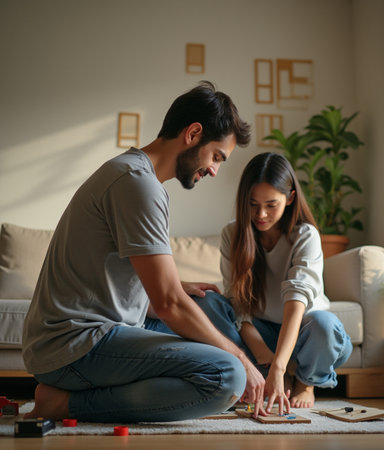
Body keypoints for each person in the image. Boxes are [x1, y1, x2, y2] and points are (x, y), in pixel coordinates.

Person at [21, 81, 267, 423]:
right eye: (216, 157)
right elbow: (167, 303)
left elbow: (141, 290)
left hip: (91, 335)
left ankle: (83, 393)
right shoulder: (137, 183)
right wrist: (240, 358)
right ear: (193, 133)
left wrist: (179, 289)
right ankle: (64, 404)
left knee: (206, 307)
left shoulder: (134, 175)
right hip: (75, 344)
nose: (214, 170)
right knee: (227, 375)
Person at [194, 152, 353, 412]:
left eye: (271, 204)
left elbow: (296, 301)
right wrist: (263, 355)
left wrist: (279, 364)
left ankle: (305, 382)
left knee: (326, 326)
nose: (261, 214)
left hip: (306, 333)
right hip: (259, 333)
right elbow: (239, 307)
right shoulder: (231, 234)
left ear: (290, 198)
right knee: (210, 303)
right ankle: (267, 374)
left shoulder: (305, 235)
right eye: (253, 204)